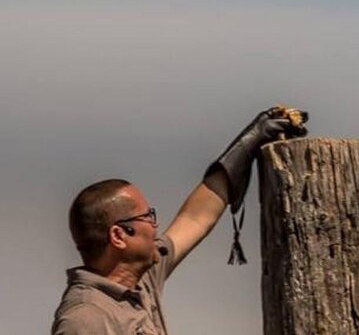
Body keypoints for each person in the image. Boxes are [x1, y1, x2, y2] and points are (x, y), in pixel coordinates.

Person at [52, 106, 308, 334]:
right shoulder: (85, 318)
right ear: (119, 235)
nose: (155, 225)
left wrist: (250, 142)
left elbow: (195, 218)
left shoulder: (141, 279)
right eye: (147, 217)